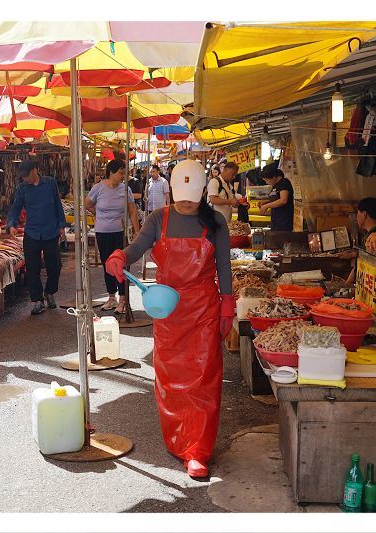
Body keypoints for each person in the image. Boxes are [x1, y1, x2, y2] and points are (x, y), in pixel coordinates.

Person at [104, 160, 234, 479]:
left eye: (192, 195)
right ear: (172, 190)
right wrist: (121, 256)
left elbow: (224, 268)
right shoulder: (157, 219)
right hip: (168, 308)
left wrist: (227, 303)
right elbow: (137, 248)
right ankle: (178, 440)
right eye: (181, 194)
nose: (186, 201)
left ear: (203, 191)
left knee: (203, 378)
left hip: (203, 308)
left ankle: (198, 450)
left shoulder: (215, 221)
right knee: (171, 380)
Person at [7, 160, 66, 315]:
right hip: (32, 233)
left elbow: (57, 205)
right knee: (32, 268)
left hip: (51, 232)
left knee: (55, 266)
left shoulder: (50, 183)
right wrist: (12, 224)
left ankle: (50, 292)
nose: (25, 179)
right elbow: (15, 208)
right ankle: (37, 300)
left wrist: (62, 225)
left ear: (35, 171)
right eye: (23, 177)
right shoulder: (22, 189)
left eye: (27, 176)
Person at [85, 159, 141, 313]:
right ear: (111, 172)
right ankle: (111, 297)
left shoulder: (126, 190)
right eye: (121, 173)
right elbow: (87, 204)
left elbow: (132, 211)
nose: (123, 176)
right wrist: (99, 215)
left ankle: (123, 299)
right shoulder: (98, 188)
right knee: (107, 264)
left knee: (120, 264)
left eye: (124, 173)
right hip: (102, 232)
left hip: (120, 232)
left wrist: (137, 231)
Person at [259, 164, 294, 231]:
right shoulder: (276, 185)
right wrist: (265, 202)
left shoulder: (284, 183)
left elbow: (283, 200)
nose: (267, 182)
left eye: (267, 180)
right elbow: (277, 199)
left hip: (284, 221)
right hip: (276, 220)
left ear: (274, 177)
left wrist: (266, 206)